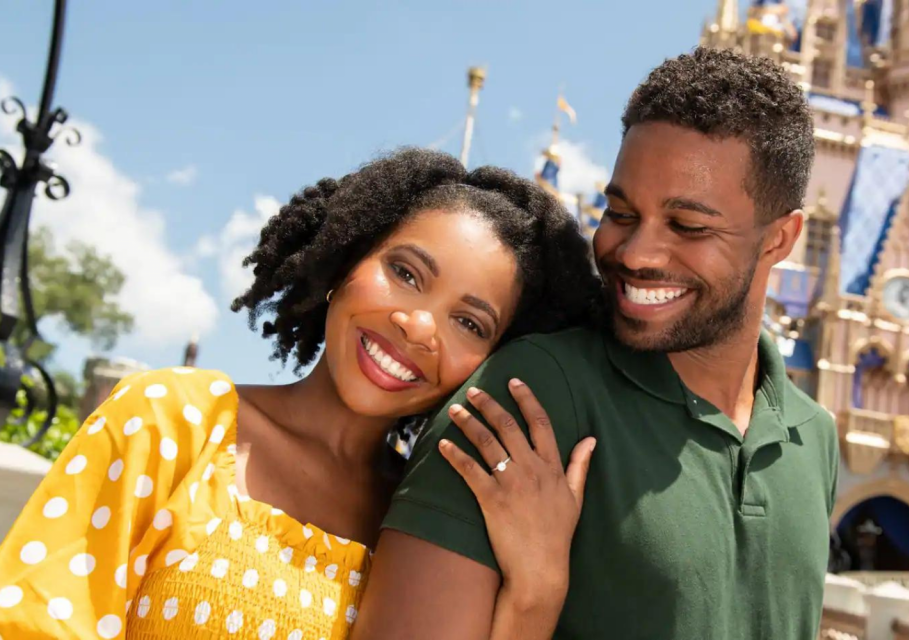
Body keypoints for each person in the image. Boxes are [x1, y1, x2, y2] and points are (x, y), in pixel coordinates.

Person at [0, 148, 602, 639]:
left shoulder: (426, 519)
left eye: (469, 323)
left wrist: (537, 591)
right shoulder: (177, 418)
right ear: (347, 255)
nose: (418, 327)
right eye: (406, 273)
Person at [355, 47, 840, 640]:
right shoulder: (531, 395)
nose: (635, 254)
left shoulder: (812, 436)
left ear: (780, 239)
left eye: (687, 226)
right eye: (620, 211)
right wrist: (537, 595)